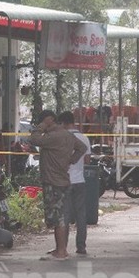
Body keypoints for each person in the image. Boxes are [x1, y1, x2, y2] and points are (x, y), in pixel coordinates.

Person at [29, 109, 88, 260]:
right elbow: (82, 148)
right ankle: (59, 248)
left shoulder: (53, 136)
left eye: (44, 121)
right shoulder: (67, 135)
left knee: (59, 217)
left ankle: (61, 250)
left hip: (53, 181)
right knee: (60, 215)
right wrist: (71, 160)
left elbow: (34, 139)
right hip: (63, 179)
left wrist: (41, 126)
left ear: (49, 120)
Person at [58, 111, 91, 255]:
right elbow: (88, 161)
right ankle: (81, 246)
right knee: (81, 215)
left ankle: (62, 247)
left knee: (64, 215)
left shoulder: (62, 138)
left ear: (63, 123)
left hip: (64, 181)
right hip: (80, 181)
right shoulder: (84, 138)